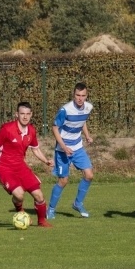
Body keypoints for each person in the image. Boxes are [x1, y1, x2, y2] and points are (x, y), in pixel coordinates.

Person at [0, 102, 54, 228]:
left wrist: (46, 160)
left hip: (20, 166)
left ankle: (42, 221)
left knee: (39, 195)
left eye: (27, 114)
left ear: (31, 115)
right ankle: (20, 212)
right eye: (22, 114)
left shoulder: (31, 130)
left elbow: (36, 149)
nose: (25, 117)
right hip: (4, 168)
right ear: (17, 114)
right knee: (19, 194)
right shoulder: (7, 130)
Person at [47, 82, 94, 219]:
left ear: (87, 95)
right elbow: (55, 128)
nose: (80, 98)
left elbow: (83, 121)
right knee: (63, 181)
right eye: (77, 95)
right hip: (63, 149)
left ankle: (77, 203)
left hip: (77, 147)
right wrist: (63, 146)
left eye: (83, 95)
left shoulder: (88, 107)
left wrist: (87, 135)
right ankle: (51, 209)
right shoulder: (65, 110)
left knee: (89, 175)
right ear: (73, 95)